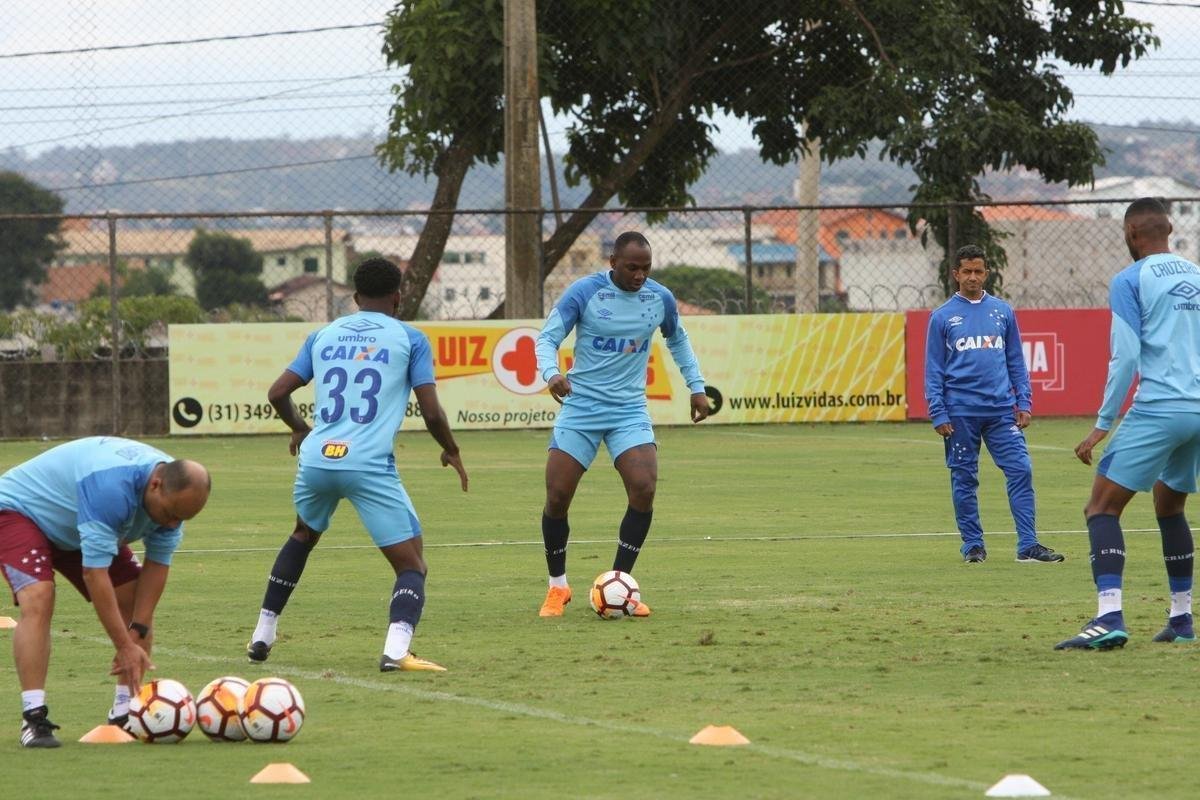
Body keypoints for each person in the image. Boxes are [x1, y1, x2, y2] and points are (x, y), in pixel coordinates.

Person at [246, 257, 467, 672]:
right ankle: (396, 651)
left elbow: (277, 392)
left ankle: (262, 633)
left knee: (302, 535)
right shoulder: (411, 338)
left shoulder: (322, 335)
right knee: (412, 564)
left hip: (317, 460)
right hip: (367, 463)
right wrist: (451, 450)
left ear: (355, 297)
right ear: (398, 298)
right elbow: (433, 413)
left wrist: (300, 428)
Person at [534, 231, 709, 617]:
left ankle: (620, 588)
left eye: (646, 268)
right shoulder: (585, 292)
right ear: (612, 261)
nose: (639, 275)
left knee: (644, 488)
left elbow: (678, 340)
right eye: (632, 267)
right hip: (581, 408)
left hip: (628, 410)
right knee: (558, 497)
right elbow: (546, 338)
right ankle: (557, 588)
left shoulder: (658, 298)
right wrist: (551, 373)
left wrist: (696, 387)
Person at [0, 437, 210, 748]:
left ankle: (124, 714)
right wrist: (123, 645)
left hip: (77, 526)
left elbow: (157, 567)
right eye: (170, 514)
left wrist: (137, 630)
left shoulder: (173, 498)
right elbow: (94, 574)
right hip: (20, 512)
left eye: (183, 518)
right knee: (40, 596)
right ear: (155, 485)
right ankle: (34, 717)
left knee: (134, 602)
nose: (173, 523)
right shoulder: (111, 490)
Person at [1057, 197, 1200, 651]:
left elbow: (1126, 357)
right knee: (1169, 505)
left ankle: (1109, 616)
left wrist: (1101, 426)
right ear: (1169, 228)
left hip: (1159, 408)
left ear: (1133, 234)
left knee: (1101, 507)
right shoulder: (1197, 276)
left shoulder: (1129, 279)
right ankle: (1181, 618)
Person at [924, 244, 1064, 564]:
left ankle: (1028, 545)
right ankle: (973, 545)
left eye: (978, 271)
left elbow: (1015, 360)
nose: (973, 277)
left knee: (1021, 470)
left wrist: (1024, 401)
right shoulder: (942, 317)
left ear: (987, 273)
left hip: (1002, 411)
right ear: (955, 274)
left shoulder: (1002, 311)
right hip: (960, 412)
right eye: (967, 272)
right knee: (964, 478)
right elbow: (933, 370)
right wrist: (938, 411)